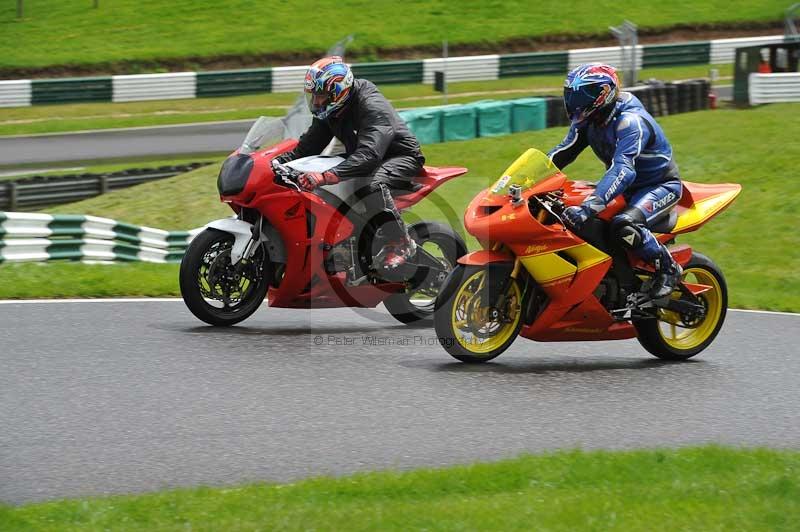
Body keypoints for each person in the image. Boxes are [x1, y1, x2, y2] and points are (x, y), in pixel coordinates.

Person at [276, 56, 425, 271]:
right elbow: (307, 148)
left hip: (398, 156)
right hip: (362, 155)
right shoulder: (331, 110)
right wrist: (278, 162)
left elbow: (370, 154)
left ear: (339, 92)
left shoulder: (371, 105)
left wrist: (326, 176)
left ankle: (401, 242)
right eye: (314, 96)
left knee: (372, 185)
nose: (316, 102)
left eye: (321, 96)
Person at [548, 63, 683, 299]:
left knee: (623, 224)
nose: (575, 100)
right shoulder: (588, 120)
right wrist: (525, 181)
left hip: (659, 185)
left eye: (583, 94)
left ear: (603, 94)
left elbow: (623, 169)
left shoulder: (630, 122)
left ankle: (668, 267)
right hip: (625, 186)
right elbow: (563, 152)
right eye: (571, 94)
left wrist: (589, 207)